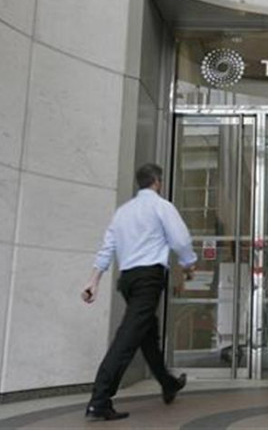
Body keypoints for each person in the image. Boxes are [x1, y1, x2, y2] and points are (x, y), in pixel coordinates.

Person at [81, 163, 197, 421]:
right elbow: (180, 240)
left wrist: (94, 280)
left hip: (129, 281)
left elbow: (107, 247)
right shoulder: (161, 206)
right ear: (157, 181)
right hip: (148, 280)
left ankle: (168, 384)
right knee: (128, 337)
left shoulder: (123, 212)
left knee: (147, 335)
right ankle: (99, 399)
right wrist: (189, 264)